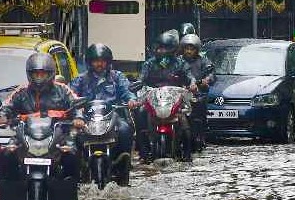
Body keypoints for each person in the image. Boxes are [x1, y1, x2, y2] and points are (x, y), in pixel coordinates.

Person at [0, 53, 83, 185]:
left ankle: (72, 185)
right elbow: (7, 106)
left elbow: (76, 104)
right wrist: (2, 117)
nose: (39, 78)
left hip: (58, 134)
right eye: (36, 74)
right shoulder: (21, 91)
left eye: (43, 74)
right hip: (25, 134)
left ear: (51, 74)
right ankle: (10, 184)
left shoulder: (63, 90)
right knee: (7, 152)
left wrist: (78, 118)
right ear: (30, 74)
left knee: (72, 153)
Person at [70, 44, 137, 172]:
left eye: (102, 61)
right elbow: (71, 96)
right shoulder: (80, 80)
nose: (99, 64)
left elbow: (127, 90)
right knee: (72, 136)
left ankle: (123, 164)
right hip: (87, 119)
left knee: (125, 130)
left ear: (108, 62)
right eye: (95, 61)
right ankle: (78, 168)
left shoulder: (117, 77)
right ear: (90, 62)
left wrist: (131, 100)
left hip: (112, 117)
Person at [138, 31, 197, 162]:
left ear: (172, 49)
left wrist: (192, 83)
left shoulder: (180, 63)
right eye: (159, 47)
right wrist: (138, 83)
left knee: (186, 117)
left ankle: (187, 154)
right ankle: (143, 153)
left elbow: (189, 77)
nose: (160, 50)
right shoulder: (149, 64)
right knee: (141, 113)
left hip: (175, 100)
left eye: (164, 47)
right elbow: (141, 78)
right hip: (153, 99)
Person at [180, 33, 215, 151]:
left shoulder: (203, 61)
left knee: (199, 112)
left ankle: (200, 135)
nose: (189, 51)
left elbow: (211, 73)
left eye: (192, 48)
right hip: (180, 93)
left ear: (197, 49)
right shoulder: (178, 61)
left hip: (198, 93)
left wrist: (207, 80)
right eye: (187, 48)